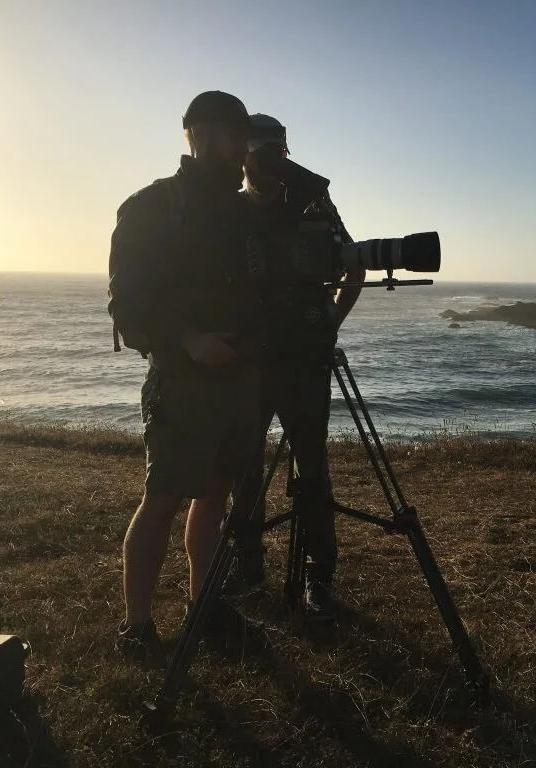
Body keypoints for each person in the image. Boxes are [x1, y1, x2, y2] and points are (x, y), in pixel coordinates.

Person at [108, 90, 266, 667]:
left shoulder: (248, 213)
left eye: (244, 137)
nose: (240, 148)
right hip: (184, 382)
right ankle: (138, 626)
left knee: (218, 498)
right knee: (163, 498)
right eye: (231, 134)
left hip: (241, 381)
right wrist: (189, 341)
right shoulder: (153, 207)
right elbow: (127, 307)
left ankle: (205, 604)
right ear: (196, 133)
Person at [226, 113, 365, 621]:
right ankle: (246, 567)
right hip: (248, 359)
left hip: (306, 356)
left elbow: (355, 266)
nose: (267, 164)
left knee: (312, 467)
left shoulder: (312, 203)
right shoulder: (228, 212)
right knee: (243, 466)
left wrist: (331, 318)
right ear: (241, 156)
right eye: (258, 153)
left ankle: (318, 577)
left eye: (276, 154)